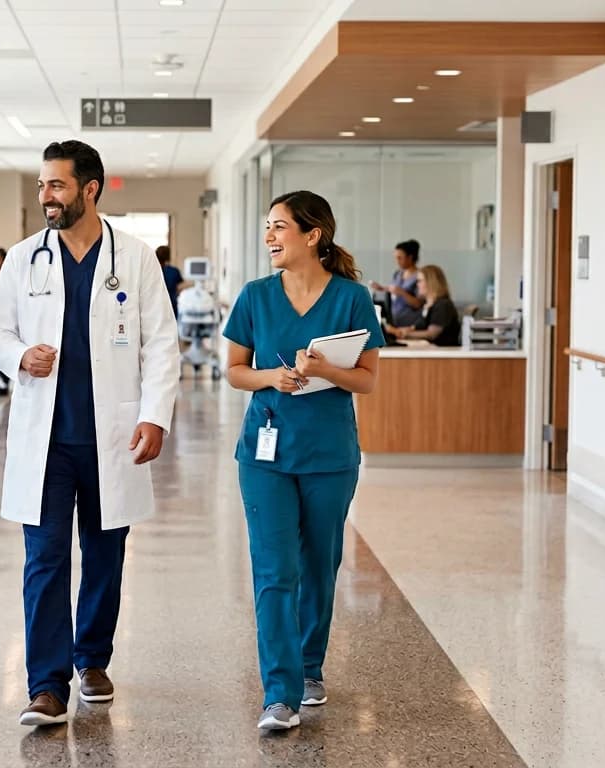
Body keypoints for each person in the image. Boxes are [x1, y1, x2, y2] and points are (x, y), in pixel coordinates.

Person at [0, 140, 179, 727]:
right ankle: (46, 683)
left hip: (110, 435)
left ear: (90, 189)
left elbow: (162, 344)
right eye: (42, 185)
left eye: (56, 186)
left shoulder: (135, 257)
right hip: (45, 438)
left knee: (104, 554)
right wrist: (20, 356)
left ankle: (92, 658)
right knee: (43, 560)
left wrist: (155, 414)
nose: (45, 196)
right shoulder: (24, 259)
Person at [222, 190, 384, 731]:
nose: (269, 237)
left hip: (329, 455)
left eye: (279, 227)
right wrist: (274, 377)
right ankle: (280, 694)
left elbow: (366, 379)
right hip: (264, 454)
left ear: (313, 235)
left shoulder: (352, 299)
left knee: (318, 565)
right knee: (274, 571)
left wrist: (323, 370)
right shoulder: (255, 296)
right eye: (267, 228)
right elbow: (235, 370)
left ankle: (309, 666)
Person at [384, 264, 461, 347]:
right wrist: (395, 331)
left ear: (431, 282)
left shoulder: (443, 305)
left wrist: (402, 334)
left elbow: (431, 334)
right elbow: (416, 328)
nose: (417, 285)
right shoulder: (428, 306)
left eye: (420, 281)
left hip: (442, 354)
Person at [368, 239, 423, 327]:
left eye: (400, 258)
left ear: (410, 257)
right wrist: (382, 288)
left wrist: (403, 293)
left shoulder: (420, 277)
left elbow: (418, 304)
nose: (397, 261)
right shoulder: (398, 274)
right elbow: (394, 291)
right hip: (395, 322)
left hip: (411, 324)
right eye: (396, 258)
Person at [157, 244, 185, 318]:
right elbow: (180, 287)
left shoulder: (152, 271)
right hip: (172, 305)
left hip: (157, 305)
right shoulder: (174, 271)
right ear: (169, 256)